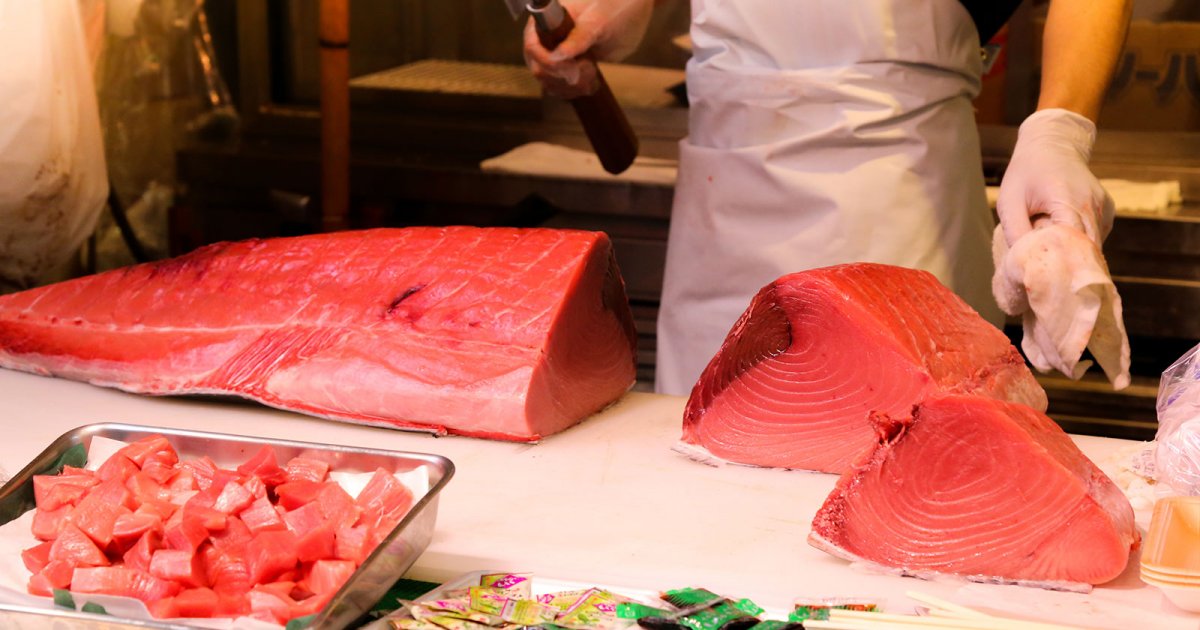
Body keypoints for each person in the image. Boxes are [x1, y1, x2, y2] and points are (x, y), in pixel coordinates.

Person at [522, 0, 1133, 396]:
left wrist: (1060, 127)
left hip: (900, 179)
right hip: (729, 190)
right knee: (708, 492)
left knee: (906, 467)